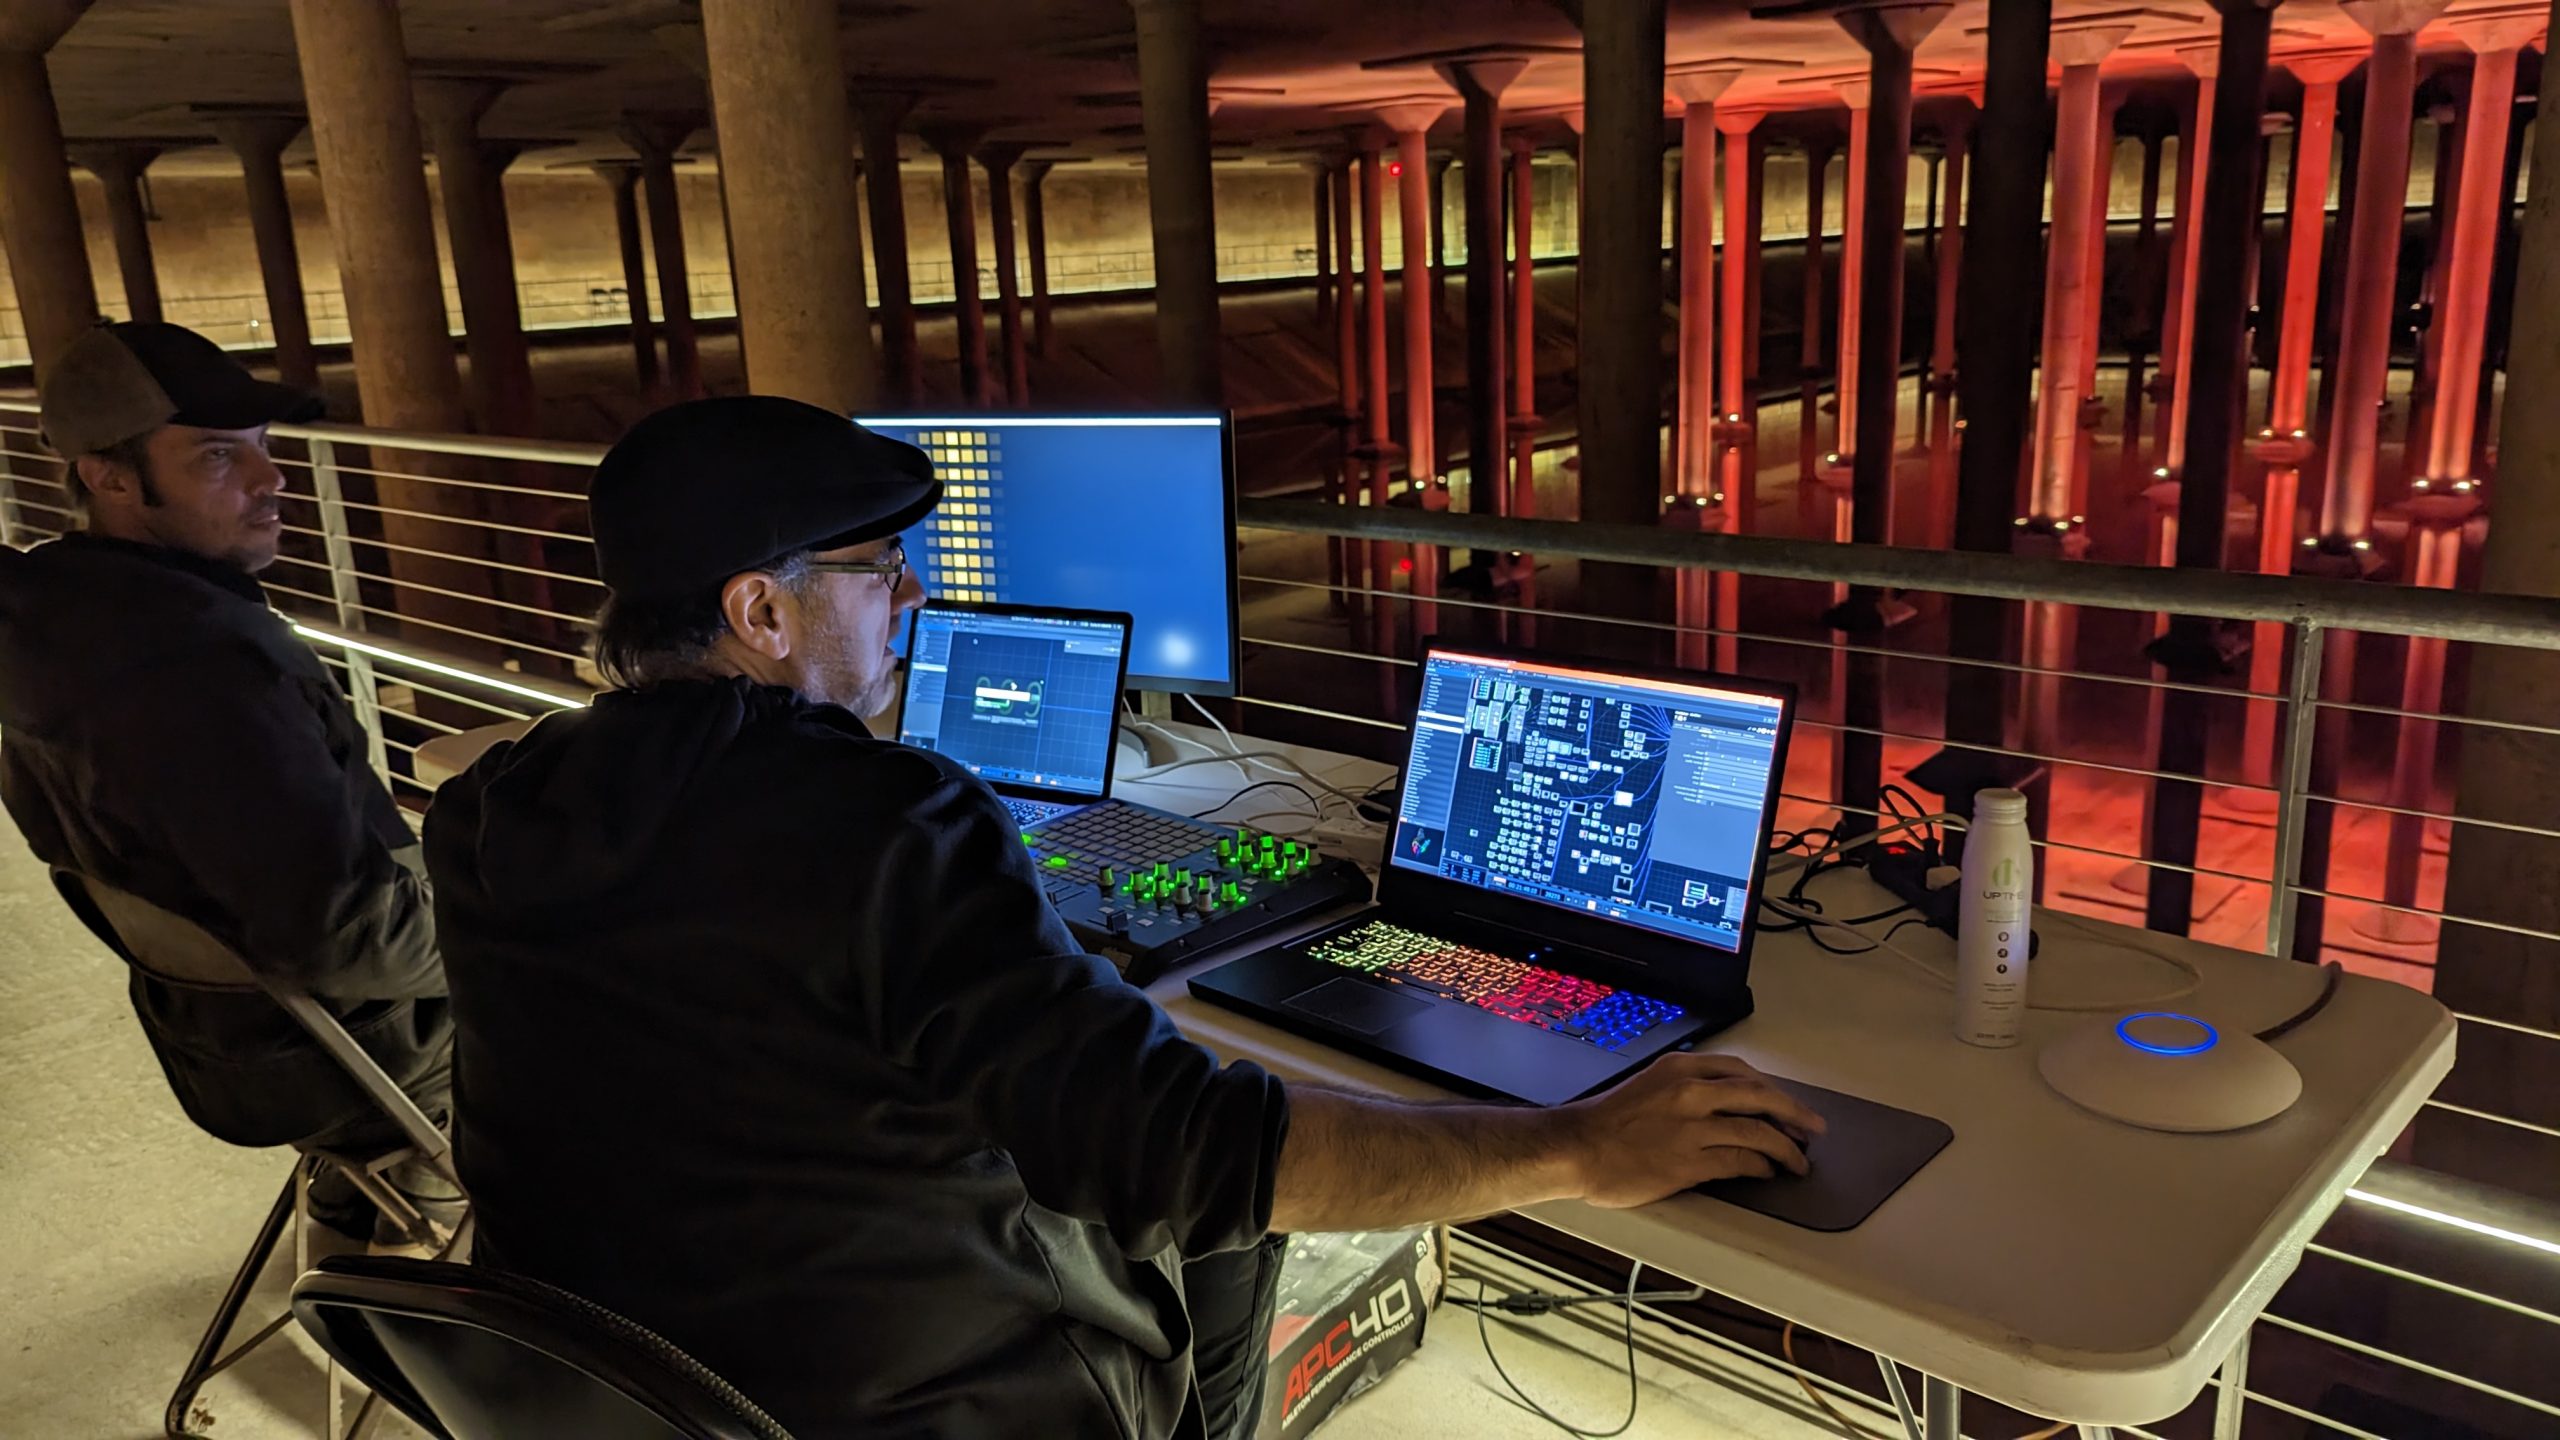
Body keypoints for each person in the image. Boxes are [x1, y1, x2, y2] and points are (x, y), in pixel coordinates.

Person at [423, 395, 1821, 1439]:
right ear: (759, 611)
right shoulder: (890, 820)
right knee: (1228, 1212)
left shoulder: (492, 808)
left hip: (638, 1388)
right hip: (916, 1405)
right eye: (876, 567)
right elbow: (1196, 1163)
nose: (914, 595)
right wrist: (1580, 1144)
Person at [0, 321, 454, 1247]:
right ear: (110, 477)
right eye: (217, 456)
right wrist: (524, 933)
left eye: (263, 447)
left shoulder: (52, 620)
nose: (270, 479)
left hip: (233, 1040)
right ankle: (470, 1240)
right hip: (365, 1054)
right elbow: (341, 932)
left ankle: (356, 1201)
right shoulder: (196, 673)